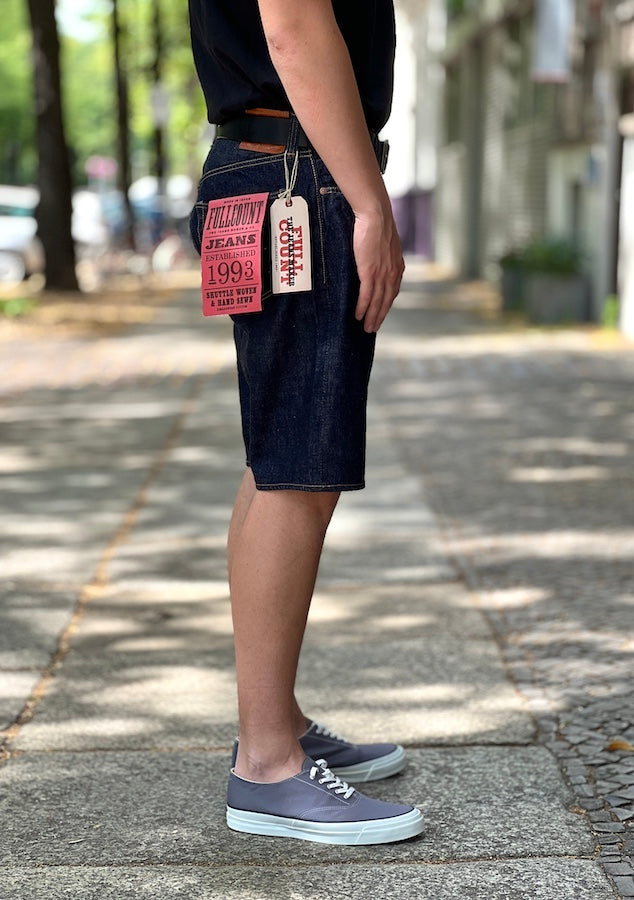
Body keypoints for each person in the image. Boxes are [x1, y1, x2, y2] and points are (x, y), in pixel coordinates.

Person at [188, 0, 424, 845]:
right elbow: (290, 23)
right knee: (298, 465)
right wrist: (369, 204)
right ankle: (267, 767)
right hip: (296, 174)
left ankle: (272, 718)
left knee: (276, 458)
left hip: (271, 163)